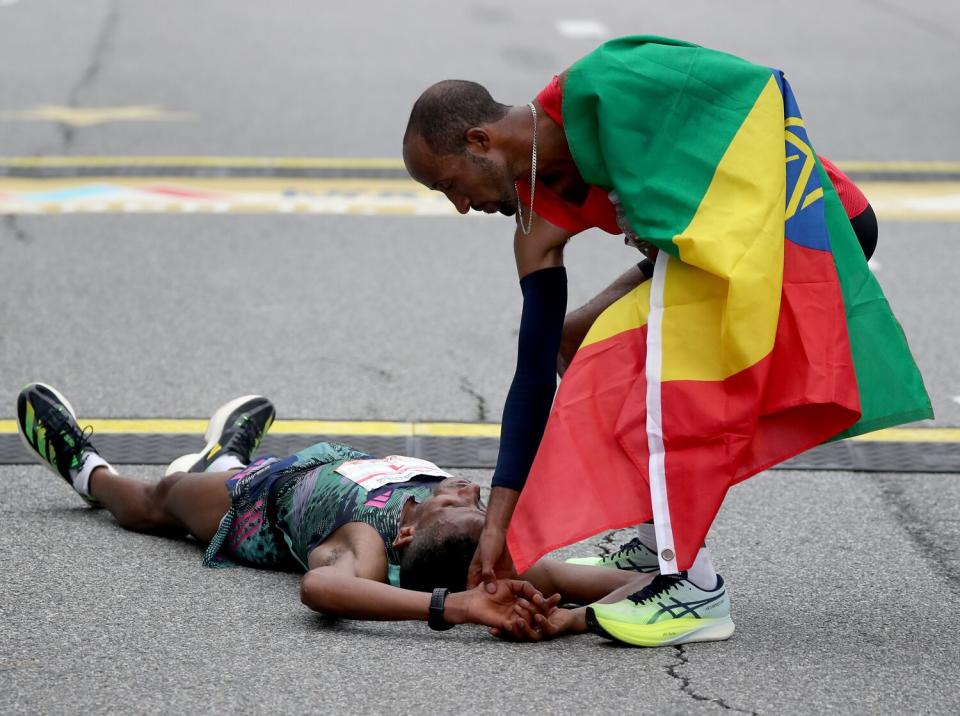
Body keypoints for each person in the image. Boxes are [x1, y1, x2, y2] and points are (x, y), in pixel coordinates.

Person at [402, 35, 919, 648]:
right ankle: (654, 547)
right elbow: (533, 370)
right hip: (705, 256)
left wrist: (676, 212)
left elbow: (758, 90)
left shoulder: (604, 83)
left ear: (479, 142)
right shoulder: (534, 220)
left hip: (804, 223)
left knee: (642, 364)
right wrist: (499, 530)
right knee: (576, 339)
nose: (460, 206)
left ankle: (691, 589)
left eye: (449, 185)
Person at [16, 382, 700, 644]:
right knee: (207, 468)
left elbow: (322, 589)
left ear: (404, 531)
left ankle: (86, 467)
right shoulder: (497, 551)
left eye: (456, 503)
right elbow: (650, 580)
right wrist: (576, 608)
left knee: (159, 501)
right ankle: (225, 449)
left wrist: (472, 611)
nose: (467, 489)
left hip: (270, 498)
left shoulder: (364, 545)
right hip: (339, 459)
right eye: (477, 501)